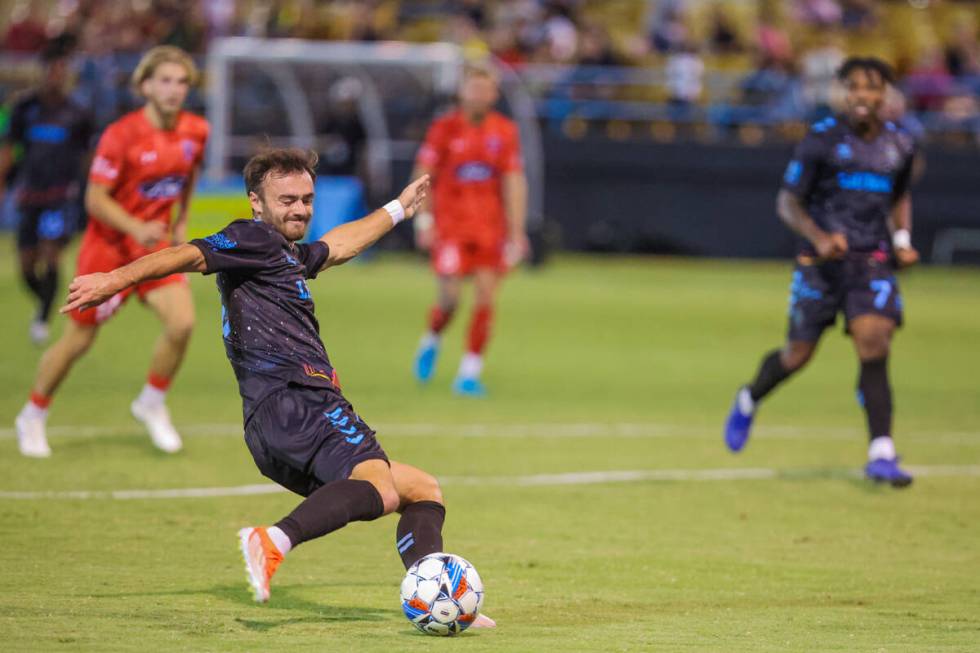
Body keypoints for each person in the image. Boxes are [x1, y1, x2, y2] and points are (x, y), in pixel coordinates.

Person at [59, 148, 495, 627]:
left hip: (273, 421)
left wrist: (397, 208)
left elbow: (337, 247)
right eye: (287, 199)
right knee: (381, 490)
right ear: (256, 203)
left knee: (421, 489)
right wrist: (113, 280)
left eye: (307, 199)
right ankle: (272, 541)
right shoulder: (252, 238)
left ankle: (438, 597)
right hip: (299, 400)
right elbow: (187, 254)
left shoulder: (282, 255)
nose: (300, 209)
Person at [723, 57, 920, 487]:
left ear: (885, 93)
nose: (863, 96)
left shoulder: (901, 146)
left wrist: (902, 240)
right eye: (854, 87)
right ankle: (749, 397)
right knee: (798, 355)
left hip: (872, 262)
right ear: (843, 92)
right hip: (821, 265)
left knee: (874, 342)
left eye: (872, 88)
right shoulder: (822, 141)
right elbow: (787, 203)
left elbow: (900, 196)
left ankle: (881, 451)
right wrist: (819, 236)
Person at [14, 45, 209, 458]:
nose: (175, 90)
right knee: (79, 340)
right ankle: (33, 413)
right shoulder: (120, 135)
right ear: (145, 86)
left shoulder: (196, 130)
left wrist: (179, 223)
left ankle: (151, 402)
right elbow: (96, 200)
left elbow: (188, 178)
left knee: (182, 324)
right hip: (109, 250)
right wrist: (136, 225)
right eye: (166, 81)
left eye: (182, 82)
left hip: (154, 249)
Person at [411, 64, 528, 396]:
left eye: (485, 89)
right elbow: (424, 175)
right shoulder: (444, 128)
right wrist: (424, 220)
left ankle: (469, 372)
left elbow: (514, 181)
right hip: (450, 227)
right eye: (473, 88)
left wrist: (517, 232)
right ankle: (433, 336)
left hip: (490, 229)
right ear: (462, 92)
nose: (479, 95)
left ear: (494, 94)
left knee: (486, 297)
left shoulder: (504, 131)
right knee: (449, 298)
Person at [0, 38, 93, 344]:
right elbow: (9, 150)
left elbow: (86, 158)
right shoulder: (23, 109)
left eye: (61, 71)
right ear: (43, 72)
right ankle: (45, 302)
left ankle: (41, 318)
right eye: (52, 70)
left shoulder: (78, 113)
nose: (57, 75)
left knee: (52, 253)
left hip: (60, 195)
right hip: (29, 195)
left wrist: (89, 193)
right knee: (26, 266)